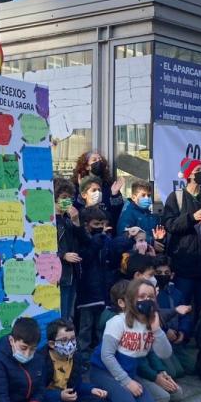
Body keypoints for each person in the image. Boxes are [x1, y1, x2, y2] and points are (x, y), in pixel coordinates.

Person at [89, 279, 173, 402]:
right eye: (141, 297)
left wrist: (156, 330)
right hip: (104, 371)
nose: (147, 300)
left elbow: (165, 354)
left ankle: (121, 394)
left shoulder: (151, 322)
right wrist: (126, 382)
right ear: (130, 299)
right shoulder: (117, 322)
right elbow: (107, 356)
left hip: (128, 371)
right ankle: (99, 398)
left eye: (151, 297)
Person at [39, 319, 118, 402]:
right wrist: (59, 396)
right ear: (52, 344)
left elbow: (77, 384)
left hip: (69, 400)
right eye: (64, 340)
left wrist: (91, 389)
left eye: (72, 339)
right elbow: (37, 393)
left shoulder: (75, 356)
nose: (70, 344)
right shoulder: (41, 361)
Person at [162, 157, 201, 314]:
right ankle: (182, 336)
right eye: (198, 171)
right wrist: (191, 218)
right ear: (189, 175)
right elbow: (170, 224)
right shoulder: (176, 197)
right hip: (183, 264)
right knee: (183, 306)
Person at [76, 207, 113, 369]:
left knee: (100, 327)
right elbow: (84, 258)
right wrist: (95, 243)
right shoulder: (82, 240)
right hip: (86, 292)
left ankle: (100, 356)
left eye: (102, 223)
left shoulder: (104, 239)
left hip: (101, 291)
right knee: (85, 328)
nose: (99, 226)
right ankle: (83, 358)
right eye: (96, 223)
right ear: (86, 224)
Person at [54, 179, 86, 319]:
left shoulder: (68, 220)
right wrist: (63, 255)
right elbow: (43, 248)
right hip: (60, 274)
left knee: (68, 315)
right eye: (63, 197)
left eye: (70, 198)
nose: (67, 201)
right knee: (61, 315)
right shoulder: (49, 221)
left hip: (72, 274)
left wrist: (76, 222)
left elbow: (85, 240)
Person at [72, 150, 124, 227]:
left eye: (100, 159)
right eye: (94, 160)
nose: (99, 162)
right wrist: (82, 190)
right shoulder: (75, 185)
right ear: (87, 166)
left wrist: (115, 194)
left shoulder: (109, 184)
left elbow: (117, 212)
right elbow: (73, 210)